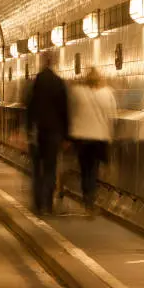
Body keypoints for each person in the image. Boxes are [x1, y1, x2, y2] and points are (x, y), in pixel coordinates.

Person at [69, 67, 117, 217]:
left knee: (84, 170)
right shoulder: (108, 93)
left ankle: (86, 201)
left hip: (82, 138)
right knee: (94, 170)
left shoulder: (77, 92)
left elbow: (71, 112)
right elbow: (112, 116)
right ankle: (91, 201)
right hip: (99, 138)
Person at [26, 54, 69, 215]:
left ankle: (38, 203)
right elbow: (65, 111)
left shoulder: (36, 82)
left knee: (37, 168)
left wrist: (28, 129)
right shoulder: (59, 83)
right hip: (54, 132)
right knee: (51, 168)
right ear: (54, 63)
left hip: (38, 132)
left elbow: (30, 107)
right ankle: (48, 203)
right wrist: (66, 136)